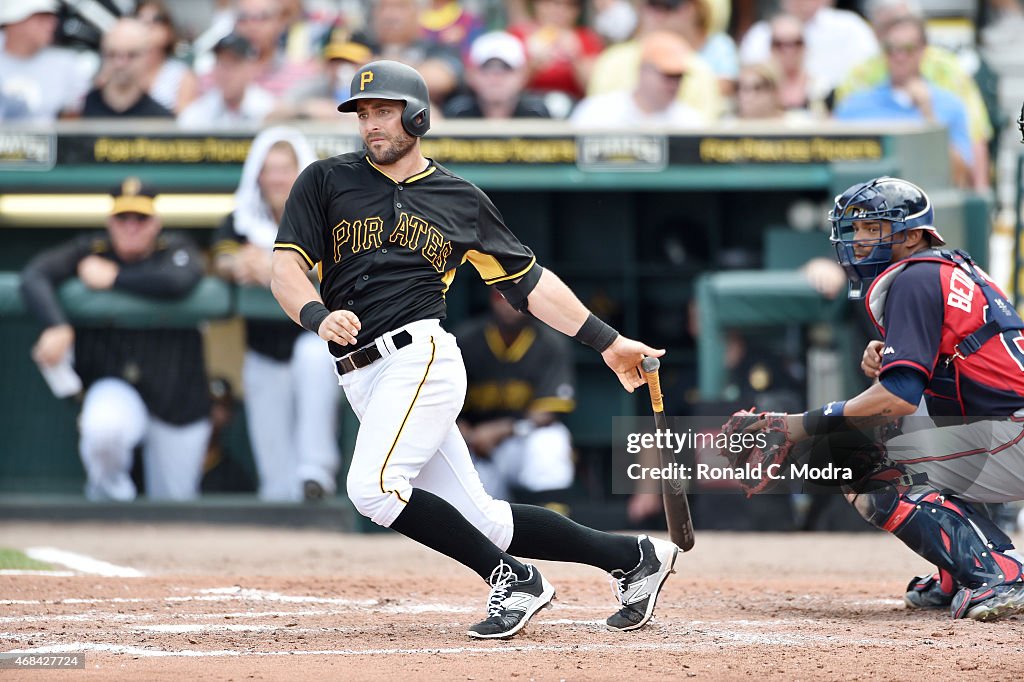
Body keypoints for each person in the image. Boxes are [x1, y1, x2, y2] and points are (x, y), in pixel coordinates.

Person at [271, 60, 678, 639]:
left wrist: (607, 341)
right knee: (480, 517)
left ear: (416, 115)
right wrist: (316, 313)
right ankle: (632, 558)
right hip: (360, 372)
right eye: (363, 114)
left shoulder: (459, 199)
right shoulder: (326, 180)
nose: (371, 125)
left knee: (373, 489)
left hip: (420, 357)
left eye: (383, 112)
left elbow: (530, 283)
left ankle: (513, 579)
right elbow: (284, 267)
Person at [733, 176, 1024, 620]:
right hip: (1003, 428)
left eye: (874, 229)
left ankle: (999, 573)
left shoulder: (916, 278)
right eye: (856, 230)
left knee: (851, 453)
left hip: (1011, 432)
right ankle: (963, 569)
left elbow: (899, 398)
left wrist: (797, 424)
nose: (860, 241)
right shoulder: (942, 268)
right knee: (896, 438)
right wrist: (895, 356)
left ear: (911, 236)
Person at [19, 178, 211, 501]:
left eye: (141, 219)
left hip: (178, 396)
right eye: (123, 219)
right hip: (116, 380)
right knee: (104, 430)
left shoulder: (176, 247)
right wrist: (57, 325)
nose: (131, 226)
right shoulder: (91, 249)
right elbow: (33, 276)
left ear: (156, 223)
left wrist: (114, 278)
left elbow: (180, 280)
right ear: (110, 223)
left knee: (177, 502)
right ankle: (111, 509)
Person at [213, 127, 342, 502]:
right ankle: (279, 517)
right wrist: (237, 262)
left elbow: (337, 264)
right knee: (274, 469)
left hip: (316, 340)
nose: (278, 178)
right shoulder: (239, 219)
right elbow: (222, 259)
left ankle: (317, 475)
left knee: (312, 358)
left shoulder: (326, 215)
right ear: (258, 175)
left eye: (286, 169)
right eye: (270, 169)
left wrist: (272, 266)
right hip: (262, 347)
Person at [835, 0, 993, 192]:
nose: (900, 57)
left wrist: (928, 116)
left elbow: (961, 177)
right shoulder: (855, 105)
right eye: (892, 50)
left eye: (908, 49)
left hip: (928, 206)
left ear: (923, 51)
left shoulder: (950, 104)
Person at [457, 291, 576, 501]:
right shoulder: (466, 340)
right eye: (500, 298)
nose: (507, 305)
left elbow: (548, 412)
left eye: (513, 299)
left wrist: (503, 429)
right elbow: (439, 403)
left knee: (550, 441)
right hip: (475, 446)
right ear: (491, 300)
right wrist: (461, 431)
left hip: (520, 439)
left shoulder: (548, 343)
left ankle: (551, 519)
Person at [587, 0, 724, 120]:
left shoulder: (699, 69)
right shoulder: (612, 61)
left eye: (669, 7)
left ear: (685, 12)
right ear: (640, 7)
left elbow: (702, 136)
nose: (659, 15)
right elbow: (596, 122)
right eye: (653, 5)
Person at [738, 0, 878, 97]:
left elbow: (872, 79)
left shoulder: (851, 27)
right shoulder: (760, 34)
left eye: (795, 44)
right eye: (780, 44)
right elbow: (747, 85)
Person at [572, 31, 705, 128]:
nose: (673, 83)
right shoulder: (599, 111)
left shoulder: (690, 122)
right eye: (668, 75)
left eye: (679, 76)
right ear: (643, 71)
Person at [0, 0, 93, 122]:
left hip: (50, 141)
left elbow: (76, 119)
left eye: (51, 17)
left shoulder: (67, 64)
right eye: (41, 17)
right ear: (15, 21)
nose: (52, 23)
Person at [507, 0, 605, 102]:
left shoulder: (586, 38)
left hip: (574, 104)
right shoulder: (519, 35)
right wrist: (533, 66)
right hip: (525, 104)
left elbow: (596, 88)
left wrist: (576, 58)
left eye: (570, 5)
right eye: (554, 3)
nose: (560, 11)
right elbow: (500, 87)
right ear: (537, 5)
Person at [443, 31, 551, 120]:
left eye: (506, 68)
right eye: (486, 68)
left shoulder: (537, 113)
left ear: (523, 75)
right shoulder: (458, 113)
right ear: (471, 75)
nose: (495, 76)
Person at [177, 33, 275, 129]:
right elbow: (185, 124)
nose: (225, 73)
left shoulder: (268, 108)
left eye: (233, 64)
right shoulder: (201, 111)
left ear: (250, 68)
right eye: (221, 64)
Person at [81, 18, 175, 119]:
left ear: (147, 57)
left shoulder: (161, 119)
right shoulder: (80, 110)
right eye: (112, 54)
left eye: (131, 55)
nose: (120, 64)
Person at [135, 0, 200, 114]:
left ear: (168, 31)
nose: (145, 28)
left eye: (155, 22)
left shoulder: (182, 76)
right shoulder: (119, 68)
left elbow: (184, 122)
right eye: (139, 20)